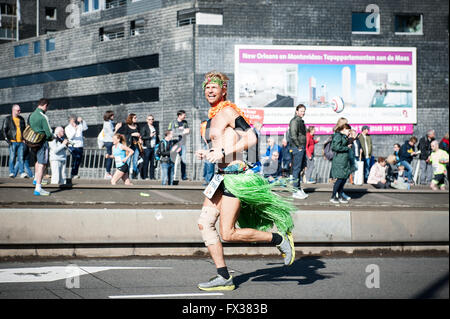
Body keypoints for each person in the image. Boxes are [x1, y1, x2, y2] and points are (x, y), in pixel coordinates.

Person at [195, 71, 295, 291]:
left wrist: (222, 153)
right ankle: (224, 276)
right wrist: (208, 152)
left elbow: (251, 138)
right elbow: (220, 146)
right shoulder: (211, 118)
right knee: (204, 223)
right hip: (220, 179)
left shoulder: (229, 111)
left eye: (214, 87)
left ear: (223, 90)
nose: (210, 90)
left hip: (236, 178)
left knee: (228, 234)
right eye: (207, 87)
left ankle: (278, 239)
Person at [28, 98, 53, 196]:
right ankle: (38, 188)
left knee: (37, 161)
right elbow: (48, 133)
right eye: (47, 107)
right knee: (42, 163)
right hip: (42, 142)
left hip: (33, 142)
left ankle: (36, 179)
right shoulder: (43, 117)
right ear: (45, 105)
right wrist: (51, 138)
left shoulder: (32, 115)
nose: (47, 109)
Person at [288, 104, 308, 199]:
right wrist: (299, 146)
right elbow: (293, 134)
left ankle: (298, 189)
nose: (303, 113)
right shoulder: (294, 121)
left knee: (299, 169)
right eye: (301, 111)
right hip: (297, 148)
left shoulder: (299, 120)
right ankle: (295, 191)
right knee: (296, 169)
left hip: (300, 147)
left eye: (304, 111)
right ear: (296, 111)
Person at [2, 104, 27, 178]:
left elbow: (24, 130)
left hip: (21, 142)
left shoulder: (21, 119)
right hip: (12, 141)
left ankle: (22, 172)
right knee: (12, 157)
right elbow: (4, 130)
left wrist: (24, 139)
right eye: (18, 110)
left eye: (20, 110)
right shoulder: (7, 119)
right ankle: (11, 172)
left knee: (21, 158)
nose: (19, 111)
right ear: (13, 110)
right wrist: (8, 140)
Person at [330, 123, 352, 204]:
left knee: (343, 179)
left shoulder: (343, 136)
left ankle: (340, 196)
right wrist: (346, 148)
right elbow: (335, 147)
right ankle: (333, 196)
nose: (349, 132)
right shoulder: (338, 136)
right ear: (343, 129)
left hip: (344, 160)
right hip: (339, 161)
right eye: (348, 130)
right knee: (340, 179)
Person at [117, 113, 142, 179]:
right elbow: (122, 135)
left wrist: (140, 139)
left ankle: (134, 176)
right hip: (129, 146)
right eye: (135, 118)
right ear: (131, 118)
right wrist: (132, 134)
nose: (136, 119)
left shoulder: (137, 126)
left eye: (136, 117)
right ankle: (126, 176)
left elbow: (139, 134)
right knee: (128, 161)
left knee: (135, 161)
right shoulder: (126, 126)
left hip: (136, 145)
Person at [168, 110, 190, 181]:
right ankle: (171, 176)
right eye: (184, 115)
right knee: (173, 160)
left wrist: (179, 132)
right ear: (179, 115)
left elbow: (188, 131)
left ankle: (184, 177)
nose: (185, 116)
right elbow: (171, 133)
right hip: (175, 143)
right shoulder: (172, 122)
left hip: (183, 143)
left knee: (183, 160)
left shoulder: (185, 122)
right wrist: (182, 132)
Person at [141, 114, 159, 180]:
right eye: (149, 119)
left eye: (152, 119)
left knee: (152, 163)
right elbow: (142, 137)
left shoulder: (154, 127)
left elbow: (157, 137)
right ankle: (145, 176)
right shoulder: (144, 127)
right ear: (147, 120)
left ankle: (152, 176)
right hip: (147, 147)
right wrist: (150, 136)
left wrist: (159, 144)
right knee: (146, 162)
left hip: (153, 147)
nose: (151, 120)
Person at [102, 110, 117, 180]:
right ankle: (107, 172)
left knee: (110, 156)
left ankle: (108, 172)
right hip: (109, 141)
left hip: (108, 141)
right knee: (110, 157)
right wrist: (117, 128)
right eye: (112, 115)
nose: (113, 116)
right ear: (109, 116)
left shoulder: (109, 122)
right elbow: (112, 134)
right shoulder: (107, 123)